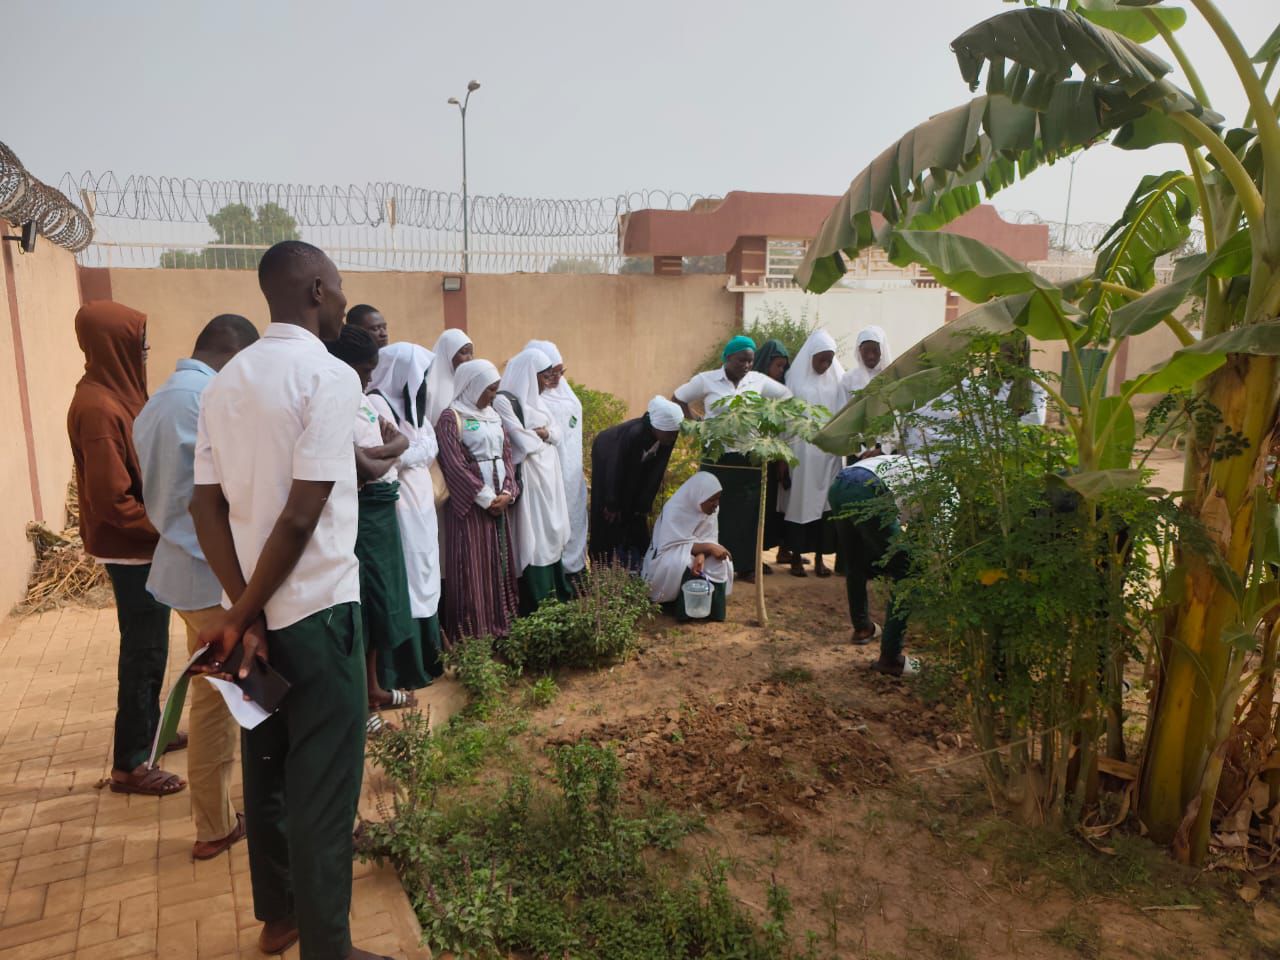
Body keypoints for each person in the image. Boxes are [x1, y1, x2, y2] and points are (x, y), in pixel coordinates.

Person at [189, 240, 387, 960]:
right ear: (312, 291)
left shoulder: (225, 382)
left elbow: (203, 507)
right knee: (324, 788)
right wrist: (250, 615)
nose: (342, 302)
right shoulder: (328, 378)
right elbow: (302, 516)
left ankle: (280, 917)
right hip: (318, 616)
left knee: (267, 770)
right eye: (337, 290)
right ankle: (328, 948)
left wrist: (241, 610)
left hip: (256, 621)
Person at [134, 312, 259, 856]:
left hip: (184, 575)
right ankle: (219, 824)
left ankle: (221, 818)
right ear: (231, 353)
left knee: (216, 699)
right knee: (231, 704)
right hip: (211, 579)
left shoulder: (159, 400)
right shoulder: (206, 401)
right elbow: (212, 502)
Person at [67, 301, 184, 798]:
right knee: (144, 651)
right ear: (114, 345)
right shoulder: (98, 408)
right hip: (133, 549)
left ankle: (149, 733)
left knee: (151, 647)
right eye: (138, 344)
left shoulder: (117, 395)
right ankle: (131, 763)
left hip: (145, 544)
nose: (145, 353)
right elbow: (113, 502)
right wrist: (171, 527)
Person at [326, 326, 418, 724]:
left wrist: (381, 453)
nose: (369, 379)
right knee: (363, 602)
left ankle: (374, 686)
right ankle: (359, 700)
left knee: (383, 603)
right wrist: (387, 454)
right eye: (364, 370)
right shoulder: (333, 405)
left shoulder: (363, 399)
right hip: (361, 515)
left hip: (383, 509)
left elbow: (402, 442)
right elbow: (359, 467)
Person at [672, 335, 791, 580]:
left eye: (750, 361)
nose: (746, 366)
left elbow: (787, 397)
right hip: (717, 457)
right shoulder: (707, 380)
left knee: (748, 513)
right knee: (714, 511)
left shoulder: (757, 381)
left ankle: (746, 565)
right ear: (727, 358)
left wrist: (768, 421)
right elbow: (678, 398)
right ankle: (714, 562)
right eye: (741, 360)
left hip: (748, 459)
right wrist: (697, 425)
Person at [367, 341, 444, 690]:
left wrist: (406, 449)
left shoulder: (413, 409)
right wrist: (408, 451)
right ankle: (404, 668)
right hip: (398, 503)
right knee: (408, 576)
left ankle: (429, 658)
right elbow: (392, 455)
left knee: (425, 568)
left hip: (421, 501)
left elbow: (426, 445)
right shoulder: (376, 403)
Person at [436, 358, 521, 639]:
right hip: (473, 506)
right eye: (489, 389)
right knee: (472, 568)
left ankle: (502, 626)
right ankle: (474, 634)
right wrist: (486, 499)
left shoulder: (494, 414)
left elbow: (506, 455)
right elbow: (453, 464)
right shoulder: (452, 417)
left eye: (495, 389)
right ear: (472, 386)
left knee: (498, 563)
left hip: (500, 500)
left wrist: (508, 492)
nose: (492, 396)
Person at [828, 455, 922, 678]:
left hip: (841, 483)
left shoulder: (920, 465)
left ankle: (862, 628)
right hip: (868, 487)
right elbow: (938, 545)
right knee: (907, 570)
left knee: (855, 561)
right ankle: (891, 658)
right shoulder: (947, 492)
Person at [496, 348, 572, 610]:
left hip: (549, 477)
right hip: (529, 476)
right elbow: (520, 439)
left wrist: (544, 434)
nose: (547, 381)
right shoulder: (504, 401)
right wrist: (543, 436)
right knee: (533, 533)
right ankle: (536, 599)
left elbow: (558, 432)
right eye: (544, 376)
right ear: (529, 374)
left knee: (551, 530)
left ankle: (556, 591)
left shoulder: (539, 401)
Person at [589, 396, 683, 570]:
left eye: (675, 433)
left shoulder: (667, 437)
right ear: (656, 427)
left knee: (635, 517)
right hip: (607, 461)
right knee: (607, 518)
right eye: (670, 433)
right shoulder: (634, 434)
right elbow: (614, 468)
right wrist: (612, 503)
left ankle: (634, 565)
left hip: (633, 472)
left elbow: (656, 471)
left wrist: (644, 504)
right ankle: (602, 567)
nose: (673, 438)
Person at [524, 339, 587, 583]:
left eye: (562, 371)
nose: (558, 377)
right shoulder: (531, 398)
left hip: (572, 473)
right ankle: (554, 580)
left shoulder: (566, 394)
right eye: (552, 372)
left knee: (574, 518)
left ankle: (576, 571)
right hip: (545, 476)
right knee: (548, 526)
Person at [783, 330, 845, 578]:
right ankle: (796, 558)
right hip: (801, 455)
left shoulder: (837, 380)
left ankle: (821, 559)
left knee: (825, 508)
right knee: (799, 504)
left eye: (829, 360)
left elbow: (842, 413)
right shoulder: (795, 380)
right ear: (810, 356)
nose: (825, 364)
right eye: (821, 359)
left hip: (828, 456)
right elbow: (786, 418)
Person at [642, 472, 733, 622]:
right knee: (683, 563)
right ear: (698, 496)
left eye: (718, 498)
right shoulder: (674, 509)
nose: (716, 503)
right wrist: (708, 548)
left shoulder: (712, 509)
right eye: (712, 499)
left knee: (721, 562)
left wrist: (703, 554)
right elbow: (672, 545)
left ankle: (712, 611)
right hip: (666, 556)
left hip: (695, 549)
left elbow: (708, 537)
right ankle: (681, 610)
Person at [753, 340, 793, 568]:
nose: (780, 371)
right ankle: (752, 557)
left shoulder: (781, 392)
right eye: (777, 366)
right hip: (754, 459)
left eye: (783, 368)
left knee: (768, 510)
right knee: (754, 510)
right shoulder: (754, 390)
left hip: (772, 458)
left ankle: (761, 554)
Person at [842, 325, 895, 458]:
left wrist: (884, 449)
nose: (870, 356)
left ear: (882, 350)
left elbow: (898, 415)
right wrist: (860, 451)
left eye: (875, 351)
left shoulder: (892, 377)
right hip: (857, 448)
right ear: (859, 351)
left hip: (886, 450)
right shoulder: (849, 379)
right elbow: (845, 415)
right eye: (866, 351)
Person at [423, 327, 474, 428]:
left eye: (471, 353)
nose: (470, 359)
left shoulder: (469, 385)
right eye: (464, 352)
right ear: (448, 353)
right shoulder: (429, 389)